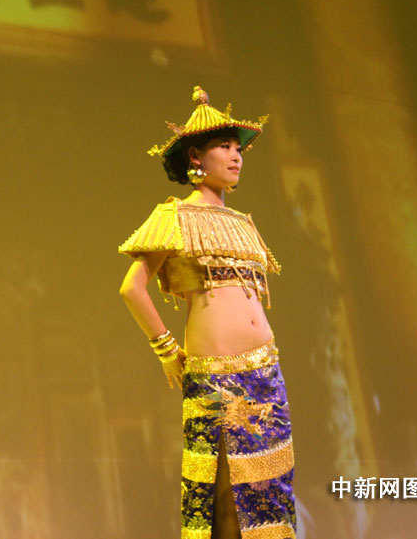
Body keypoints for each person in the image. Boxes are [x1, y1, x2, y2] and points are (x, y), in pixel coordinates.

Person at [118, 86, 295, 539]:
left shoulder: (243, 223)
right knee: (224, 495)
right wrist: (166, 351)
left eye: (238, 148)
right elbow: (132, 288)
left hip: (266, 371)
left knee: (270, 495)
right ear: (196, 156)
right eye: (224, 146)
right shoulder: (174, 216)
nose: (235, 156)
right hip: (215, 374)